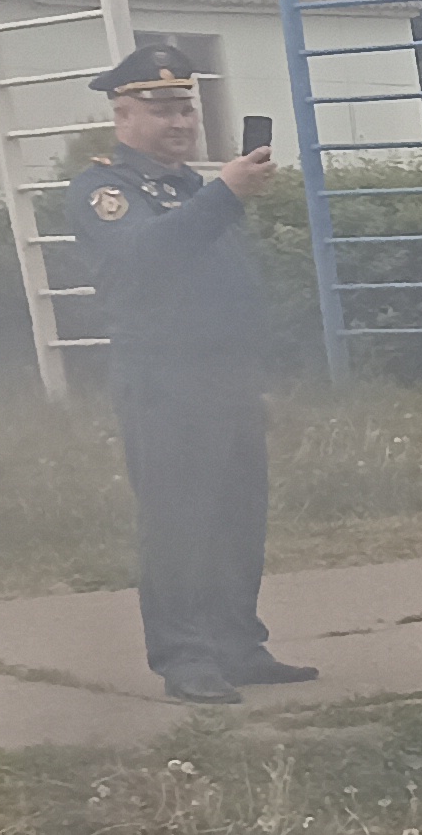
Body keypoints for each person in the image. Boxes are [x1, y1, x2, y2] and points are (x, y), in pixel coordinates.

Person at [64, 47, 308, 702]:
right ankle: (185, 657)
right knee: (179, 520)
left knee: (237, 516)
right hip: (165, 380)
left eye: (186, 108)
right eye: (162, 110)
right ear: (122, 114)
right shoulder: (105, 189)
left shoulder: (192, 189)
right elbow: (149, 257)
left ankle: (237, 645)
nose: (180, 122)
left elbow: (227, 284)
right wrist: (227, 193)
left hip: (227, 375)